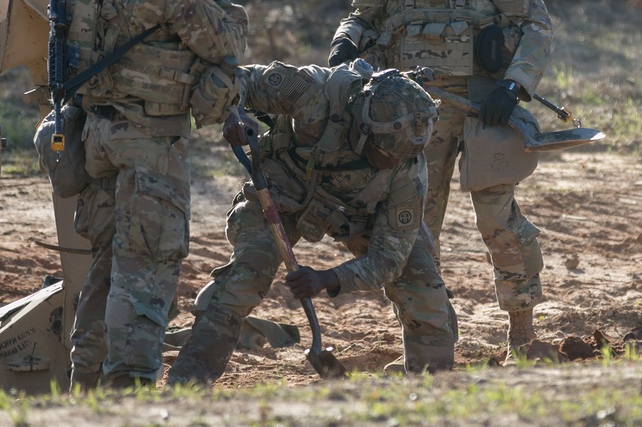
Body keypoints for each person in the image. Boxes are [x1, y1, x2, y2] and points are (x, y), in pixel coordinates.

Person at [328, 0, 553, 362]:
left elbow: (535, 26)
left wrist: (512, 87)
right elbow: (360, 17)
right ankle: (428, 340)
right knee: (413, 227)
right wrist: (344, 47)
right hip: (415, 112)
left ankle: (522, 334)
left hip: (483, 106)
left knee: (498, 218)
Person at [65, 0, 249, 391]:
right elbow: (227, 40)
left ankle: (87, 388)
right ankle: (129, 393)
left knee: (103, 271)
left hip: (97, 134)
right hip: (149, 143)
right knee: (144, 274)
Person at [167, 60, 456, 386]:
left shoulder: (407, 168)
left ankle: (433, 388)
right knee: (244, 278)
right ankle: (186, 386)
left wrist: (328, 278)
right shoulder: (314, 91)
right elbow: (235, 80)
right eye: (386, 153)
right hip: (279, 198)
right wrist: (233, 114)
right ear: (363, 128)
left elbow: (389, 259)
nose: (394, 161)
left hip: (360, 215)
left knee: (424, 284)